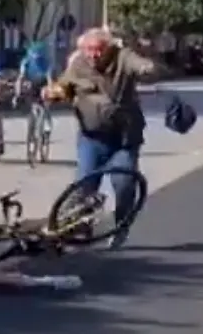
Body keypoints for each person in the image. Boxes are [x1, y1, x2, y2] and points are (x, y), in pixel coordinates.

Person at [46, 28, 157, 249]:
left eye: (98, 50)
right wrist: (53, 92)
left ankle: (121, 225)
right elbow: (64, 86)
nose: (94, 55)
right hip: (92, 138)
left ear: (108, 48)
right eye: (89, 50)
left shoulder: (122, 57)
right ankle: (80, 227)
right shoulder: (78, 64)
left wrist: (147, 68)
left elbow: (140, 65)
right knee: (84, 184)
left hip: (123, 139)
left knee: (124, 182)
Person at [14, 41, 54, 136]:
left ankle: (47, 124)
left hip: (43, 83)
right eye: (34, 53)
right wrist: (19, 92)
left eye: (38, 53)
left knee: (46, 104)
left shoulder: (45, 62)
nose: (36, 56)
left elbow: (49, 78)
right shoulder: (26, 61)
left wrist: (50, 90)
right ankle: (17, 98)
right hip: (31, 82)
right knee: (23, 88)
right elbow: (22, 76)